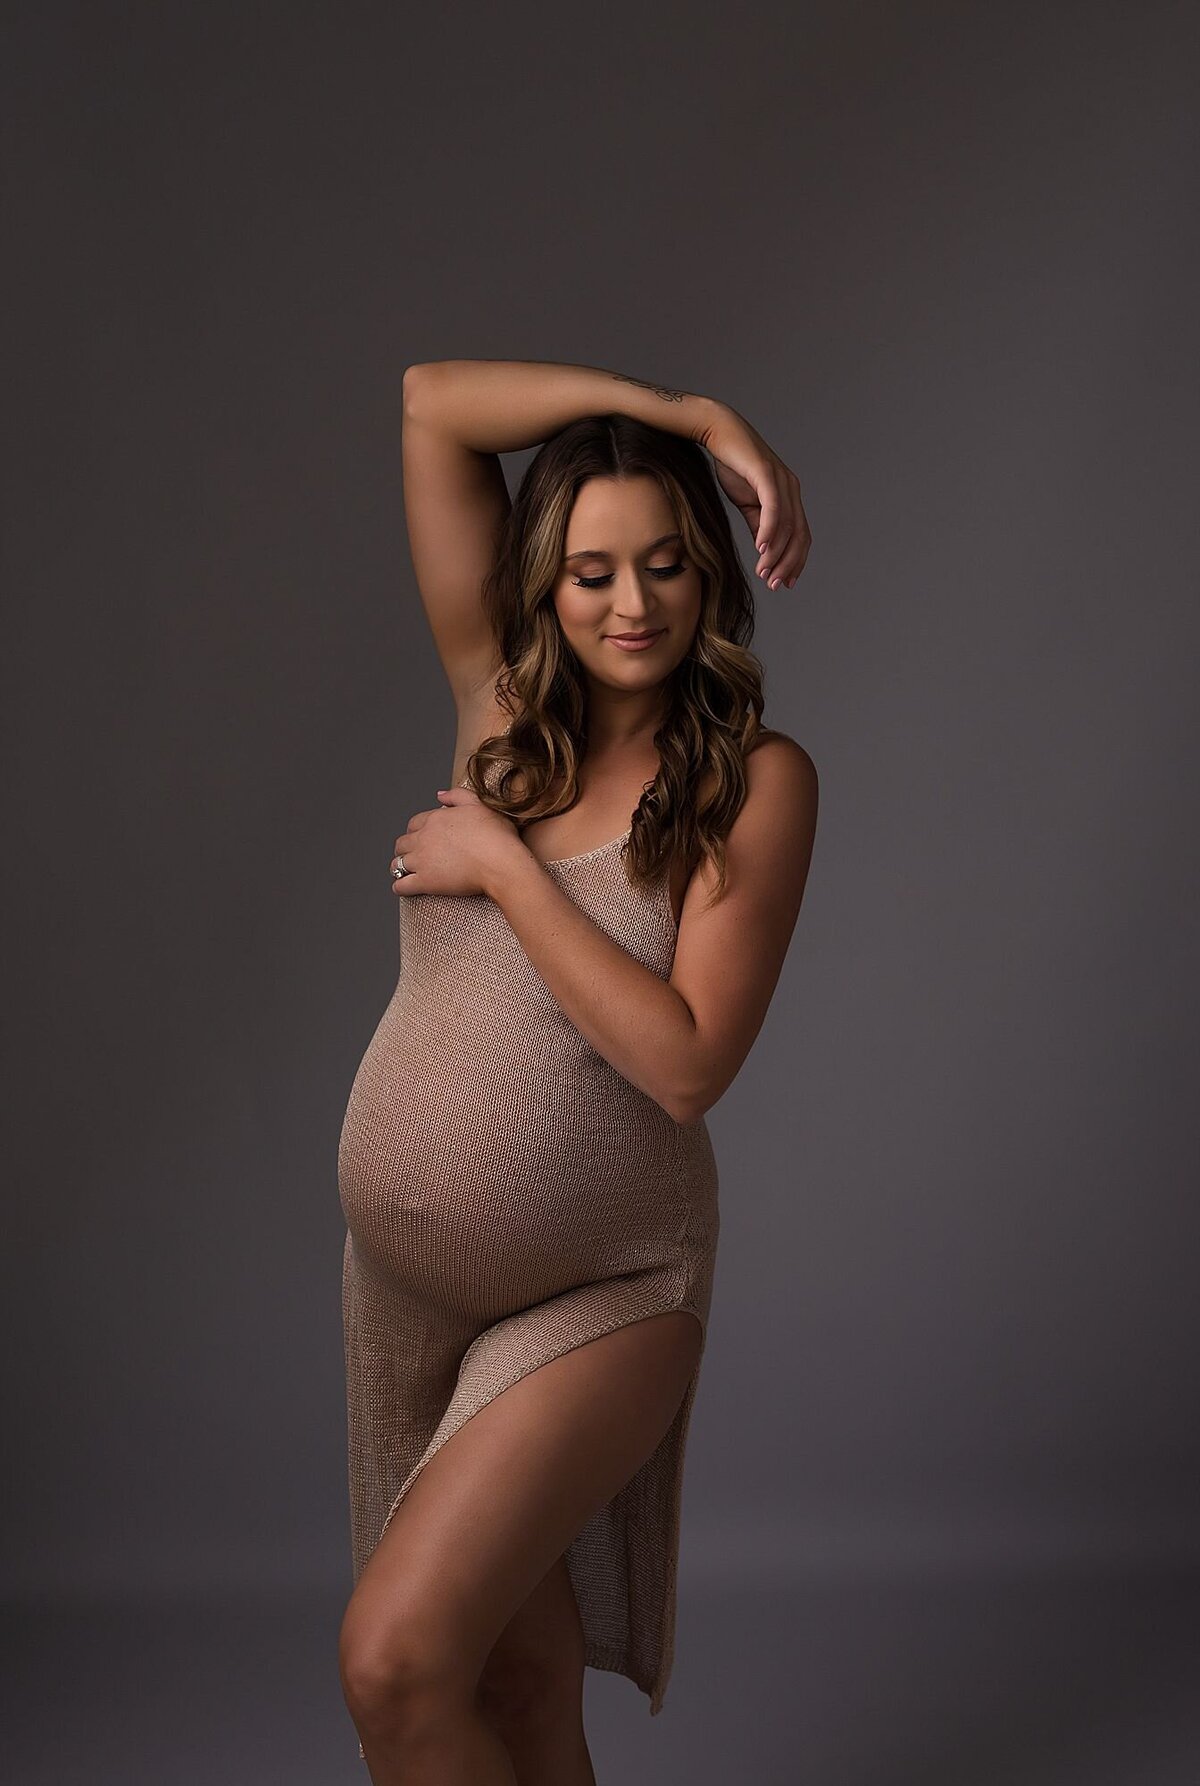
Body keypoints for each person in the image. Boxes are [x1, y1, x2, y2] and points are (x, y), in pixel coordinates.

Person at [336, 357, 819, 1783]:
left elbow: (685, 1063)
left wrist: (505, 868)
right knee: (523, 1690)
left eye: (666, 563)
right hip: (403, 1298)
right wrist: (698, 417)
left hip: (611, 1286)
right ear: (546, 583)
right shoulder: (500, 709)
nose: (632, 603)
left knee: (396, 1660)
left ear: (709, 578)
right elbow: (430, 402)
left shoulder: (752, 782)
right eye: (594, 569)